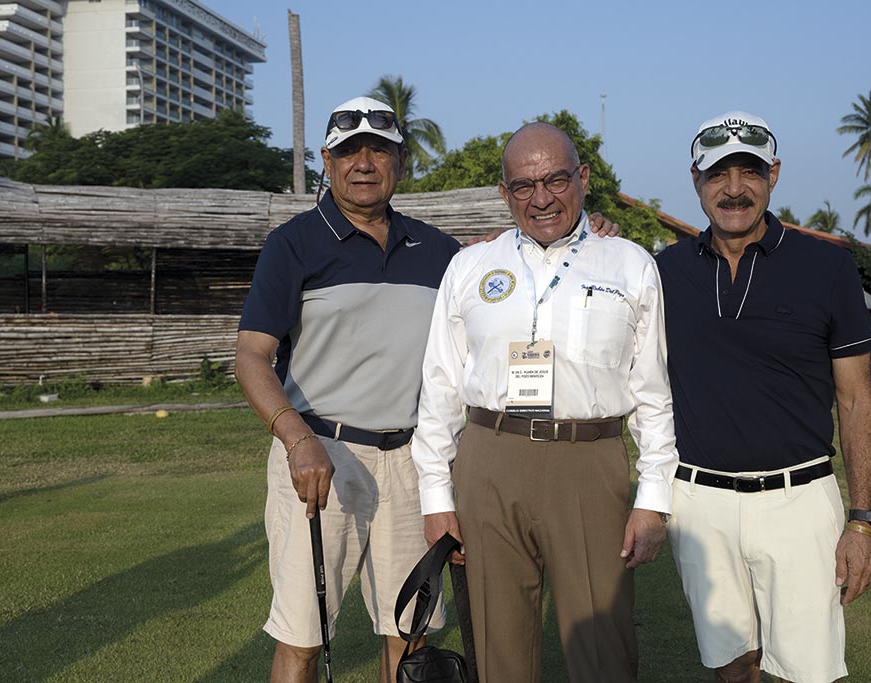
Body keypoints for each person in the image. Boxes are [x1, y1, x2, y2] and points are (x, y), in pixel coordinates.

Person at [235, 97, 619, 683]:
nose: (364, 163)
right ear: (327, 162)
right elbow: (251, 357)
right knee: (303, 637)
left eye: (379, 151)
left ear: (400, 162)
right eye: (349, 152)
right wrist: (295, 438)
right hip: (320, 455)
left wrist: (589, 231)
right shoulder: (293, 244)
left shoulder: (436, 250)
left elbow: (514, 254)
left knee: (409, 634)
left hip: (411, 462)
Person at [411, 122, 679, 683]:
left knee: (603, 650)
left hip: (589, 464)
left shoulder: (629, 264)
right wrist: (436, 496)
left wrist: (654, 500)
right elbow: (440, 387)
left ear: (583, 178)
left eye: (556, 180)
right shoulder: (470, 266)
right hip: (490, 459)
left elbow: (653, 394)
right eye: (523, 185)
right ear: (504, 192)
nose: (541, 199)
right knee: (499, 646)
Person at [655, 111, 871, 683]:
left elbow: (857, 400)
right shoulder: (662, 271)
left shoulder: (828, 266)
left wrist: (862, 523)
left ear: (773, 174)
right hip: (699, 502)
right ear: (695, 179)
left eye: (750, 171)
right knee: (731, 665)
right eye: (718, 173)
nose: (734, 189)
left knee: (808, 671)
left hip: (798, 500)